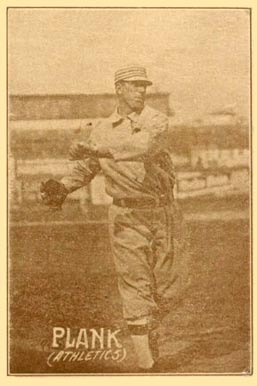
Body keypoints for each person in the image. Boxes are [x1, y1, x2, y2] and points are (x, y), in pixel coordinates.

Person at [41, 64, 179, 371]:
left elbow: (144, 146)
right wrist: (63, 187)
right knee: (134, 282)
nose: (142, 90)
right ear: (119, 88)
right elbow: (88, 168)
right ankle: (146, 364)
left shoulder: (155, 120)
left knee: (170, 288)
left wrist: (99, 149)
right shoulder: (102, 128)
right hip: (125, 215)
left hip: (162, 212)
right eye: (134, 85)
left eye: (144, 85)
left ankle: (148, 328)